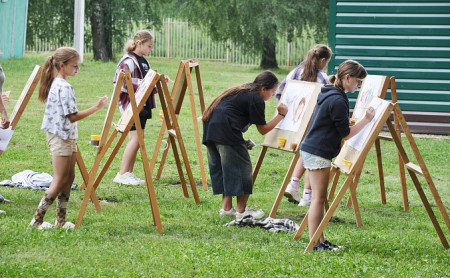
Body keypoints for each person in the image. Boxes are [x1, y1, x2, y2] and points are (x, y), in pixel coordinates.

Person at [300, 60, 375, 250]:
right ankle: (315, 243)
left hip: (311, 149)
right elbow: (346, 134)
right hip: (318, 152)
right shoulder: (338, 99)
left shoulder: (330, 92)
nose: (358, 86)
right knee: (318, 199)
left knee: (319, 198)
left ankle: (320, 240)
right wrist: (366, 120)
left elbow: (334, 123)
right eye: (358, 81)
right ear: (347, 77)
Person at [29, 47, 108, 229]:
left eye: (78, 66)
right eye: (74, 66)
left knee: (70, 177)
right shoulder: (63, 87)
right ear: (62, 65)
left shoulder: (60, 83)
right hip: (60, 137)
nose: (77, 69)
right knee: (60, 179)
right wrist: (96, 107)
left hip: (67, 136)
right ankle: (36, 220)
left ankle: (61, 220)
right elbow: (72, 116)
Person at [202, 71, 288, 220]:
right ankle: (242, 212)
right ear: (263, 89)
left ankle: (227, 208)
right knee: (243, 171)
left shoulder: (244, 91)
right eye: (272, 91)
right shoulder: (256, 98)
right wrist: (281, 115)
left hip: (211, 131)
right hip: (225, 132)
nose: (273, 95)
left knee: (225, 170)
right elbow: (263, 129)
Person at [275, 44, 332, 207]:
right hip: (313, 122)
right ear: (322, 60)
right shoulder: (322, 78)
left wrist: (286, 112)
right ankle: (305, 195)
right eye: (327, 62)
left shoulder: (295, 72)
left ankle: (296, 187)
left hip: (293, 121)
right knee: (310, 154)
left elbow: (280, 92)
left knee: (304, 153)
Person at [112, 30, 168, 186]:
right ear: (140, 43)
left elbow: (148, 82)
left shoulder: (144, 61)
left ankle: (128, 172)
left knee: (136, 139)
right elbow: (121, 82)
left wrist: (158, 81)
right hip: (130, 106)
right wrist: (148, 83)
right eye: (149, 46)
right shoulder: (128, 60)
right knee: (136, 139)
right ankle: (122, 173)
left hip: (142, 104)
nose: (151, 49)